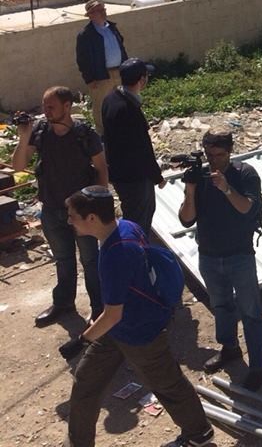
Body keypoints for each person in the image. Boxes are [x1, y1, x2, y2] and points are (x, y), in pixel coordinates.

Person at [60, 186, 213, 447]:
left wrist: (82, 340)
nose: (68, 221)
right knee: (86, 381)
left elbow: (112, 314)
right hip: (117, 329)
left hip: (140, 332)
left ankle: (199, 434)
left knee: (167, 384)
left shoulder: (115, 254)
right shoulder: (127, 227)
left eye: (73, 216)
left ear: (92, 218)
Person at [12, 86, 108, 326]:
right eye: (44, 106)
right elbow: (18, 166)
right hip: (52, 209)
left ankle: (100, 308)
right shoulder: (41, 131)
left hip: (83, 213)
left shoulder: (84, 134)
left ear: (67, 106)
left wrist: (99, 206)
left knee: (91, 261)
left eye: (51, 107)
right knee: (63, 259)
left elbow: (101, 168)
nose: (46, 111)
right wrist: (24, 137)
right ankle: (64, 302)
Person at [178, 130, 262, 390]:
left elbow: (247, 208)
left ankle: (258, 367)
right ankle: (230, 348)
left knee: (250, 312)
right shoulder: (202, 177)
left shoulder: (246, 174)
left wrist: (226, 188)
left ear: (230, 152)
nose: (213, 160)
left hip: (240, 255)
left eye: (219, 155)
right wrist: (191, 190)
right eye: (209, 155)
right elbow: (186, 219)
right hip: (209, 255)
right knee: (221, 306)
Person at [101, 58, 165, 233]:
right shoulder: (128, 110)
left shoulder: (110, 99)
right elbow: (142, 149)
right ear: (141, 80)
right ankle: (134, 246)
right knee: (140, 219)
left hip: (119, 172)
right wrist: (157, 177)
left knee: (132, 213)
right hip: (135, 177)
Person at [76, 0, 128, 134]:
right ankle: (103, 133)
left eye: (103, 9)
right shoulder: (86, 35)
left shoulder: (112, 28)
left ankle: (120, 129)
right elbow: (82, 59)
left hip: (119, 72)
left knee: (121, 101)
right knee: (101, 105)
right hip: (101, 76)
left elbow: (121, 46)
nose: (103, 12)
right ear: (91, 15)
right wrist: (89, 79)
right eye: (99, 11)